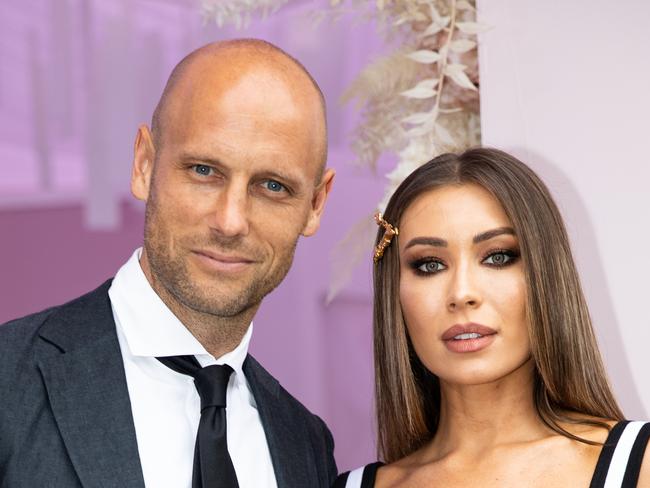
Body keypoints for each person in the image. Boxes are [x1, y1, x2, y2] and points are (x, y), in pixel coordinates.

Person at [0, 39, 337, 487]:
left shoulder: (306, 444)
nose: (230, 221)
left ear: (315, 205)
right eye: (203, 170)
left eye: (272, 186)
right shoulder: (8, 380)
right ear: (144, 163)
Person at [335, 148, 649, 487]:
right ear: (394, 291)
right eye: (429, 265)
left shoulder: (638, 464)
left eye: (498, 257)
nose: (462, 293)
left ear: (546, 276)